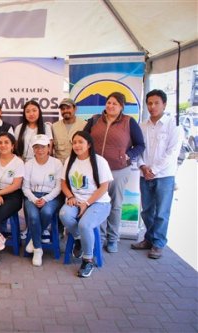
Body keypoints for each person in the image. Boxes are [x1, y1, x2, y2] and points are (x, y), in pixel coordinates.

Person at [84, 92, 145, 253]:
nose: (111, 106)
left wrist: (129, 155)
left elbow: (140, 145)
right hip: (96, 170)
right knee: (98, 203)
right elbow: (84, 139)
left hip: (118, 169)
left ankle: (112, 239)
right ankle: (101, 237)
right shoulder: (95, 120)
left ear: (121, 107)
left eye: (115, 104)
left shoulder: (129, 122)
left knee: (115, 205)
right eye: (109, 102)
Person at [132, 89, 183, 259]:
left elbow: (172, 152)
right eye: (150, 103)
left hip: (164, 176)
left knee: (161, 212)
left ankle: (158, 243)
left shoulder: (173, 126)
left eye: (156, 103)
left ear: (164, 104)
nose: (152, 106)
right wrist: (143, 167)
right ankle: (149, 238)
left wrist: (153, 170)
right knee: (147, 211)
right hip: (144, 174)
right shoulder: (142, 126)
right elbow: (138, 148)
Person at [59, 131, 113, 278]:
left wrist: (87, 203)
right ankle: (79, 239)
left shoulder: (99, 161)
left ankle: (87, 259)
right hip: (76, 200)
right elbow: (63, 183)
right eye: (74, 142)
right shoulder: (70, 160)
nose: (77, 145)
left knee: (85, 225)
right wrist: (70, 196)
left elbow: (104, 187)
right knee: (63, 214)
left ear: (88, 144)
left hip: (98, 203)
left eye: (80, 142)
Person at [0, 132, 24, 266]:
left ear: (12, 146)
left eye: (6, 142)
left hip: (13, 195)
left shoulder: (18, 162)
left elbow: (16, 184)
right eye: (0, 142)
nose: (3, 145)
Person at [22, 134, 63, 266]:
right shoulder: (28, 164)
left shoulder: (56, 163)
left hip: (51, 196)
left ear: (49, 148)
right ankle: (38, 250)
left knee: (46, 213)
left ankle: (34, 240)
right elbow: (25, 187)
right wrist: (34, 199)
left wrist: (45, 199)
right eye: (37, 147)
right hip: (32, 195)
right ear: (33, 149)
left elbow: (58, 187)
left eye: (43, 147)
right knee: (33, 216)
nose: (40, 150)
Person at [52, 98, 87, 164]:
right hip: (60, 167)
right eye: (62, 109)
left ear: (75, 108)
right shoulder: (54, 127)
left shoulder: (84, 125)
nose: (65, 111)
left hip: (78, 165)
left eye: (68, 108)